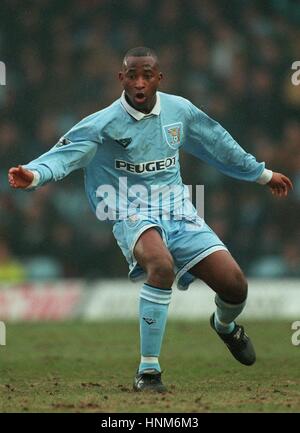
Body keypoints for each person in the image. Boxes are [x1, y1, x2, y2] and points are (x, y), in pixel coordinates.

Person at [8, 47, 293, 393]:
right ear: (121, 78)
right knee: (161, 266)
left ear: (159, 78)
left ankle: (224, 326)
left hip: (179, 211)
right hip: (129, 210)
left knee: (236, 287)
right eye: (132, 75)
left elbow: (218, 142)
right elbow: (64, 155)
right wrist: (34, 175)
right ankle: (149, 371)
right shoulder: (104, 123)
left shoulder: (179, 111)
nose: (139, 82)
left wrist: (261, 174)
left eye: (146, 75)